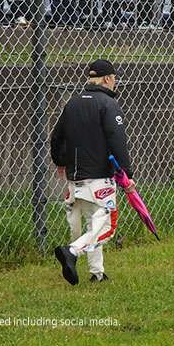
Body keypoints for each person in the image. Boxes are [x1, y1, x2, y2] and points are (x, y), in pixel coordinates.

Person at [50, 58, 136, 285]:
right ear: (108, 79)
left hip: (75, 179)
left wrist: (60, 162)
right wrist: (126, 175)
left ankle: (97, 273)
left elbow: (57, 136)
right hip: (99, 179)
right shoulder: (108, 104)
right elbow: (117, 140)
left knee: (93, 223)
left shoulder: (73, 103)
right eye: (115, 78)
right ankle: (73, 251)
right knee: (106, 226)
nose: (115, 82)